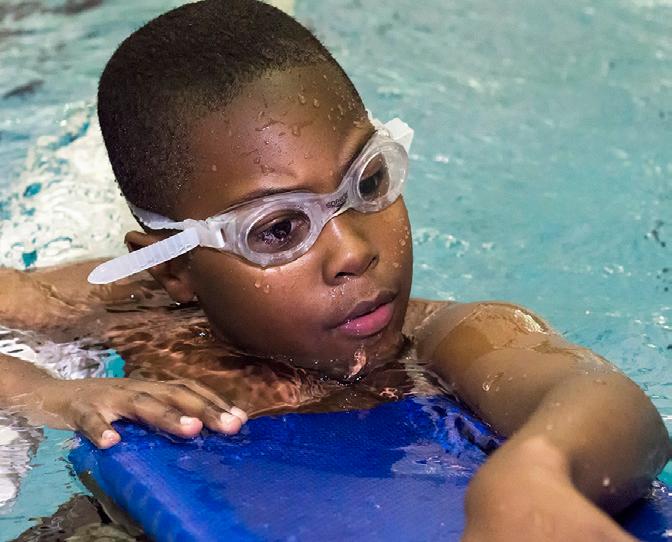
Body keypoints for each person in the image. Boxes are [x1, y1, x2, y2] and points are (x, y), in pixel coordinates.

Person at [0, 0, 669, 540]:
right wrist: (50, 396)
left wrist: (537, 468)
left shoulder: (441, 343)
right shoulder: (140, 303)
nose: (354, 251)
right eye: (278, 229)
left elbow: (604, 398)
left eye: (369, 183)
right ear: (178, 268)